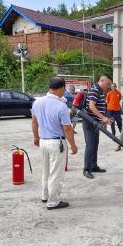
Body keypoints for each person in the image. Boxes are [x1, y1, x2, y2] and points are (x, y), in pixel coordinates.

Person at [32, 77, 78, 210]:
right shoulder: (61, 106)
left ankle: (45, 195)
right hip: (56, 143)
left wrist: (36, 137)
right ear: (62, 88)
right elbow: (67, 128)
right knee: (56, 173)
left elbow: (34, 122)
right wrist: (73, 146)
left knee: (46, 171)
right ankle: (53, 201)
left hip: (43, 141)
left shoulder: (38, 102)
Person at [82, 75, 112, 179]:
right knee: (90, 145)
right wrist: (103, 118)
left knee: (95, 144)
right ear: (102, 81)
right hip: (89, 122)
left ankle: (93, 166)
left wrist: (102, 119)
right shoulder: (95, 89)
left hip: (95, 122)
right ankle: (86, 169)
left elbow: (100, 106)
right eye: (107, 84)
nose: (108, 86)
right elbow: (91, 106)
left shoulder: (100, 91)